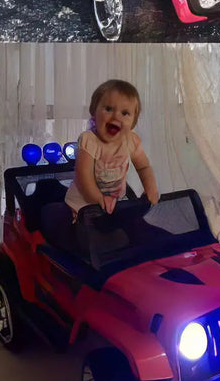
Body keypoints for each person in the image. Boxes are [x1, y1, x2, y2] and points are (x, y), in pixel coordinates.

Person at [40, 79, 161, 258]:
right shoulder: (90, 140)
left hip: (112, 205)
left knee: (135, 233)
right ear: (93, 112)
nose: (116, 117)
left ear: (134, 121)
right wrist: (98, 198)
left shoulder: (131, 141)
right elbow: (84, 176)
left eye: (125, 113)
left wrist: (151, 188)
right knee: (84, 242)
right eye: (108, 109)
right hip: (81, 206)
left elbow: (143, 167)